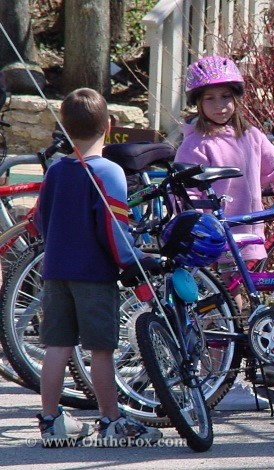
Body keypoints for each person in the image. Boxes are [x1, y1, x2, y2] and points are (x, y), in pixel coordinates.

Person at [34, 88, 162, 447]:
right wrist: (130, 260)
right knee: (101, 350)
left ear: (65, 128)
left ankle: (50, 421)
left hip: (55, 271)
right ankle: (111, 420)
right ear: (109, 125)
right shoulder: (109, 172)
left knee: (57, 346)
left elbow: (40, 221)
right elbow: (114, 228)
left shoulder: (56, 171)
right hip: (94, 274)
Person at [175, 55, 274, 268]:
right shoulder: (195, 145)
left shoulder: (250, 136)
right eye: (210, 99)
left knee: (240, 291)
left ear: (236, 99)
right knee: (230, 295)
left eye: (226, 96)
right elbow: (185, 193)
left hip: (247, 233)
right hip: (212, 238)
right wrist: (199, 230)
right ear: (197, 103)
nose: (220, 105)